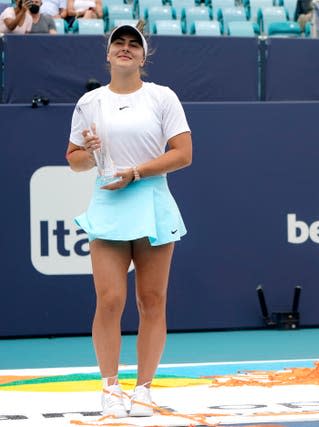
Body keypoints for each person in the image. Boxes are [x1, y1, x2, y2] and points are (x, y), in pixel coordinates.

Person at [65, 22, 192, 418]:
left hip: (151, 202)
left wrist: (136, 173)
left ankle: (144, 390)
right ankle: (110, 388)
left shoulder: (162, 97)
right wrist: (88, 151)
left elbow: (183, 153)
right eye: (118, 43)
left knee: (151, 301)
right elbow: (74, 161)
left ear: (143, 56)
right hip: (108, 204)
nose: (125, 48)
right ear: (107, 54)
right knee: (110, 299)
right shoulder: (90, 103)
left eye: (132, 44)